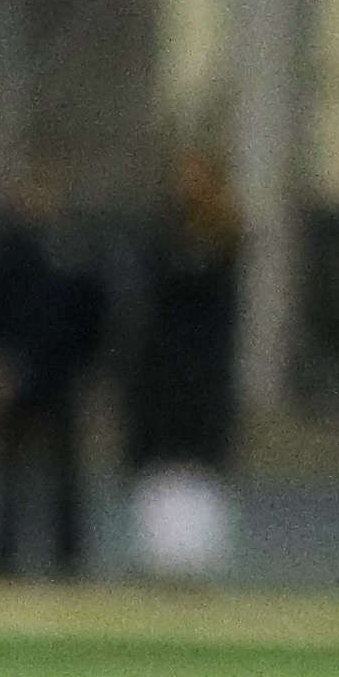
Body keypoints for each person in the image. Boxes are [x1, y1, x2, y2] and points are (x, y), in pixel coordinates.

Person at [0, 170, 108, 582]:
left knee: (65, 469)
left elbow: (93, 313)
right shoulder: (5, 250)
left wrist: (87, 365)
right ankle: (2, 554)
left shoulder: (75, 248)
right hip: (16, 369)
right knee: (8, 468)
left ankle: (69, 555)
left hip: (60, 372)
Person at [125, 148, 242, 584]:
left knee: (197, 462)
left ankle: (196, 557)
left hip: (202, 369)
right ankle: (161, 554)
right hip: (163, 369)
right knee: (161, 462)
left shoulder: (225, 240)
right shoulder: (160, 236)